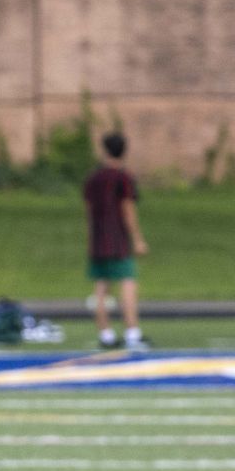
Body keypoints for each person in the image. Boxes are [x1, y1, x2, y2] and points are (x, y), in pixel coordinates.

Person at [84, 131, 149, 350]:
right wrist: (138, 239)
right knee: (128, 283)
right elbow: (127, 210)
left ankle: (106, 333)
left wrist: (90, 238)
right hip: (118, 240)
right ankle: (132, 332)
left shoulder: (93, 178)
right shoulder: (123, 178)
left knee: (101, 287)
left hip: (98, 239)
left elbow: (88, 211)